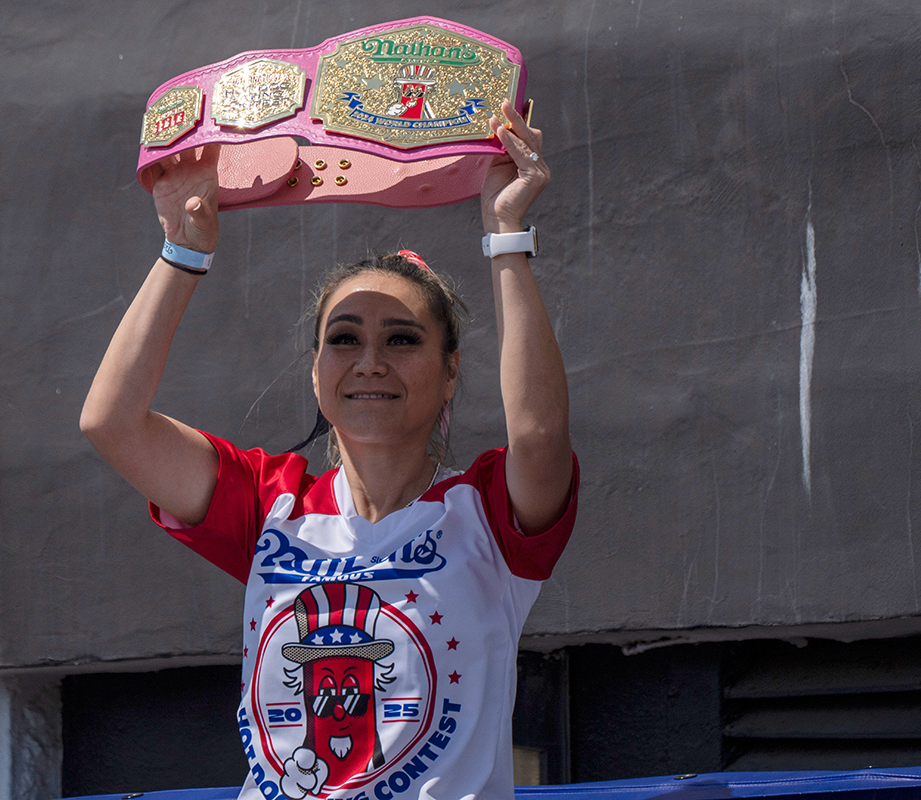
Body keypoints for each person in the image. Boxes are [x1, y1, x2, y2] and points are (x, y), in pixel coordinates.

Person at [81, 101, 578, 800]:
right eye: (344, 339)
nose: (369, 362)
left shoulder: (490, 516)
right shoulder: (268, 504)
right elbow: (113, 423)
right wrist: (183, 249)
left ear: (451, 371)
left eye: (401, 339)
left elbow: (540, 436)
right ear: (316, 369)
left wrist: (507, 235)